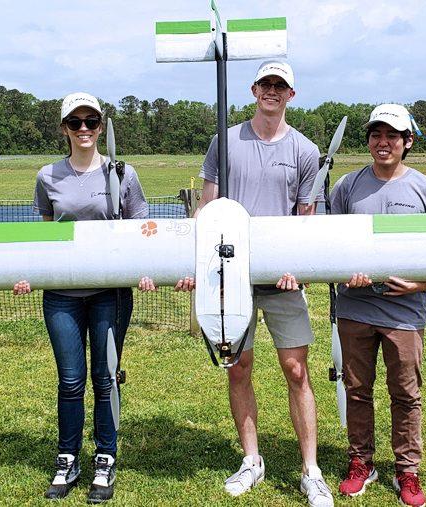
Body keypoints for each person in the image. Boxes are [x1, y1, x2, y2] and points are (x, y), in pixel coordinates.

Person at [139, 60, 333, 507]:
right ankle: (251, 460)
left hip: (282, 281)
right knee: (239, 368)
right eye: (265, 84)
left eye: (279, 86)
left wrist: (295, 266)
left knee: (297, 370)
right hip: (229, 278)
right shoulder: (224, 141)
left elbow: (304, 219)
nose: (271, 91)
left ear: (291, 95)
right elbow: (206, 210)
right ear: (253, 90)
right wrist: (198, 265)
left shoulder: (305, 150)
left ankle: (311, 469)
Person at [13, 92, 149, 504]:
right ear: (64, 129)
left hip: (110, 295)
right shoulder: (48, 176)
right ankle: (68, 457)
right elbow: (45, 236)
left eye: (92, 121)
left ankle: (105, 458)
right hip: (62, 297)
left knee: (105, 378)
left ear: (101, 126)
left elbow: (140, 228)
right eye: (76, 122)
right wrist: (28, 275)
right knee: (71, 381)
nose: (85, 129)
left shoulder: (123, 173)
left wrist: (146, 270)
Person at [327, 104, 426, 507]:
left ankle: (407, 471)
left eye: (392, 136)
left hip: (405, 313)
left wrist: (420, 282)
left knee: (406, 393)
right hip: (355, 309)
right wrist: (346, 273)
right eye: (376, 135)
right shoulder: (347, 186)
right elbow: (328, 243)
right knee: (357, 390)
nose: (383, 143)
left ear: (407, 142)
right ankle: (361, 463)